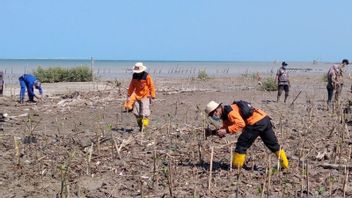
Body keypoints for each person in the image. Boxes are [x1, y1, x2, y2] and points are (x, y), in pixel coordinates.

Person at [205, 100, 289, 169]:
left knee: (241, 144)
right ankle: (285, 165)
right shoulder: (225, 114)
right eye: (211, 115)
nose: (214, 115)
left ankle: (236, 167)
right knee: (273, 144)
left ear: (218, 109)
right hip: (264, 119)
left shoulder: (229, 112)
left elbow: (241, 124)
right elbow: (225, 129)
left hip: (255, 123)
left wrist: (226, 130)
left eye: (213, 113)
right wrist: (213, 132)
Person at [127, 62, 156, 131]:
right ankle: (140, 126)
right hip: (136, 95)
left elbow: (151, 86)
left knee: (144, 114)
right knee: (136, 113)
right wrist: (129, 94)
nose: (137, 73)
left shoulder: (147, 76)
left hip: (146, 96)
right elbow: (132, 86)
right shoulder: (134, 75)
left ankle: (145, 126)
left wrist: (153, 95)